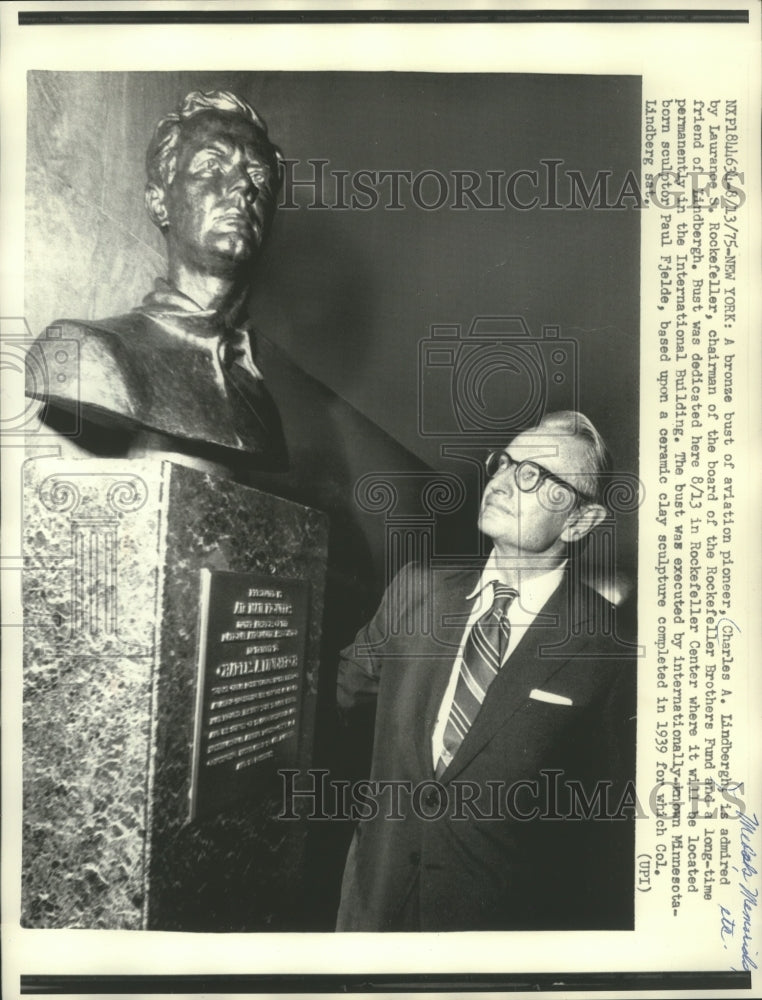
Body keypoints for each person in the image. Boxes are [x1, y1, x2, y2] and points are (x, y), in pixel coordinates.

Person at [335, 410, 636, 931]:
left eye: (534, 476)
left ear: (580, 520)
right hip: (372, 910)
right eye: (505, 462)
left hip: (492, 939)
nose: (500, 481)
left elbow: (607, 833)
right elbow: (344, 698)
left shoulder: (610, 647)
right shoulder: (416, 589)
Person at [25, 89, 287, 474]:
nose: (244, 188)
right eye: (212, 166)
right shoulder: (87, 352)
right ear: (159, 202)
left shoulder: (259, 404)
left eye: (258, 176)